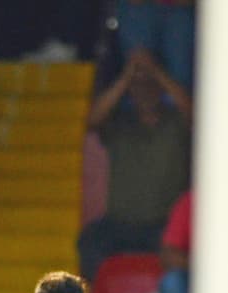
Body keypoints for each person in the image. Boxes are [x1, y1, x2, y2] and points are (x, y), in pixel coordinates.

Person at [77, 47, 191, 280]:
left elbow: (195, 113)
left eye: (149, 84)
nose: (144, 90)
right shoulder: (120, 123)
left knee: (182, 252)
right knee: (89, 242)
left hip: (163, 226)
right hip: (119, 224)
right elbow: (91, 120)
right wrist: (127, 76)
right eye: (137, 85)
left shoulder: (176, 122)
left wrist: (156, 72)